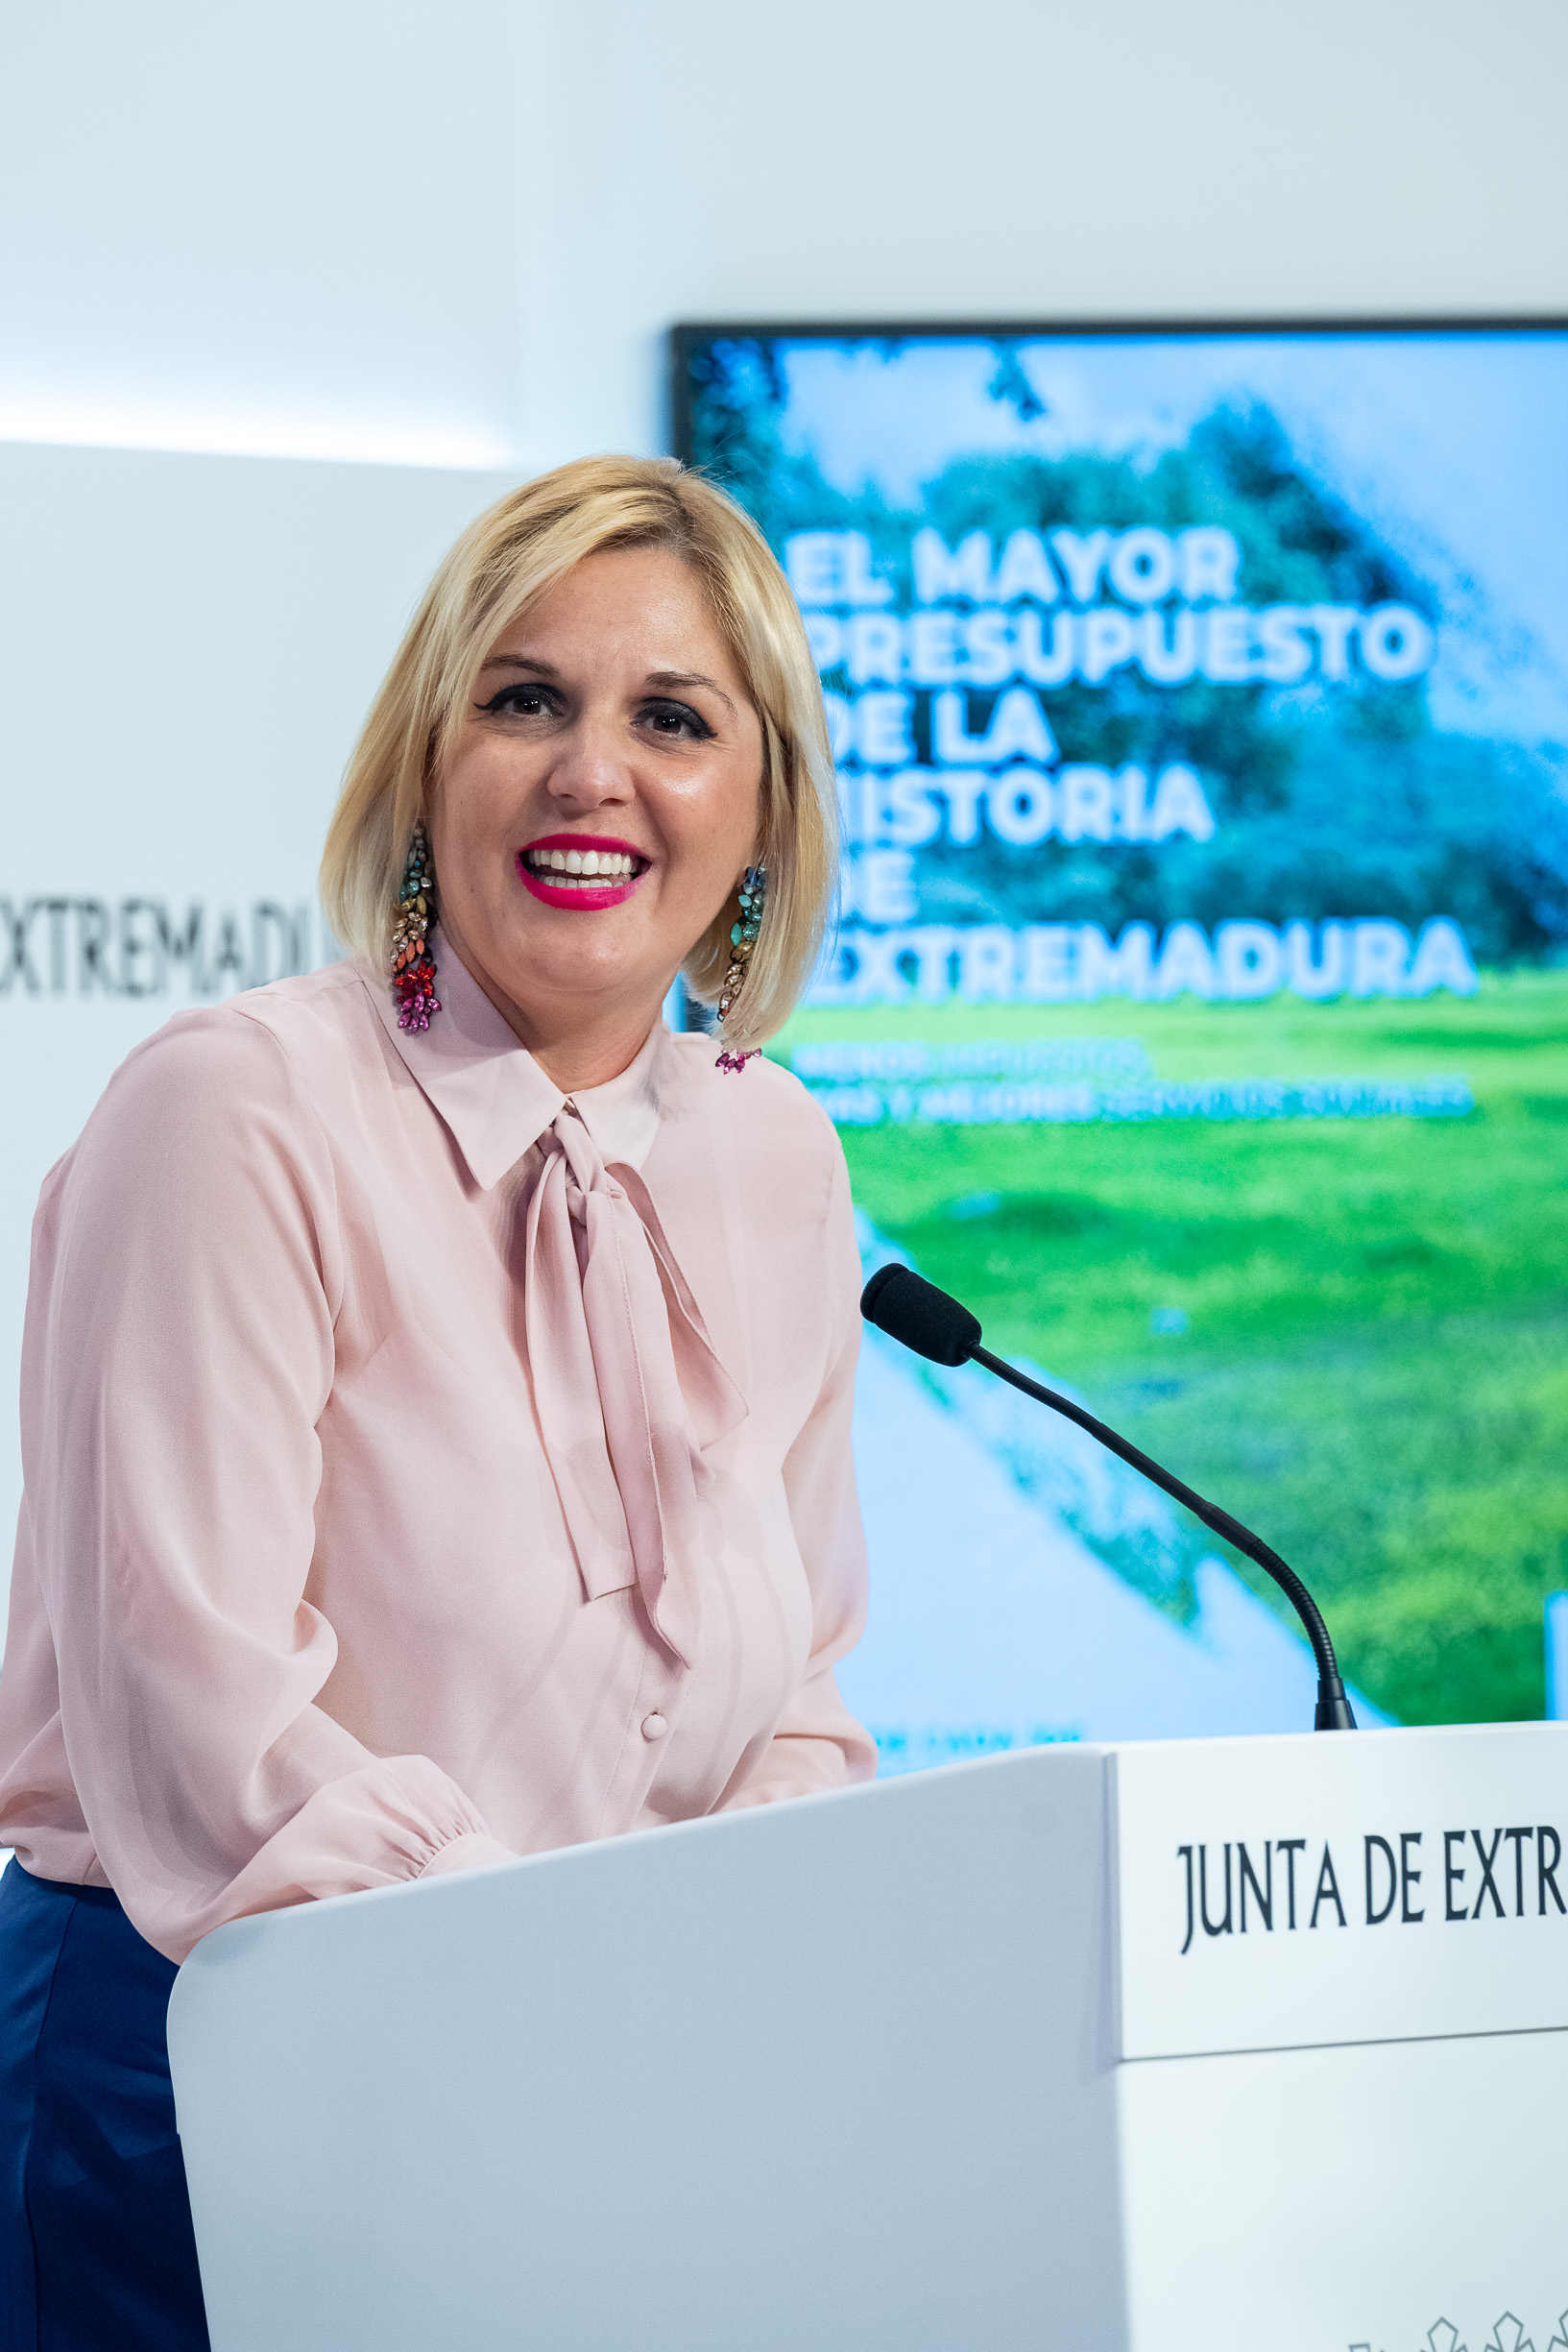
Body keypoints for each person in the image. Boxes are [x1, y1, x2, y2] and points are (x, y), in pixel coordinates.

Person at [0, 456, 876, 2349]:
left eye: (671, 718)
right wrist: (548, 1999)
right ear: (426, 765)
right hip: (199, 2062)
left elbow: (792, 1680)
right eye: (524, 699)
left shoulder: (778, 1152)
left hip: (596, 2074)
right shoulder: (232, 1112)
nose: (590, 773)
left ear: (763, 804)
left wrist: (750, 1961)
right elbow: (196, 1705)